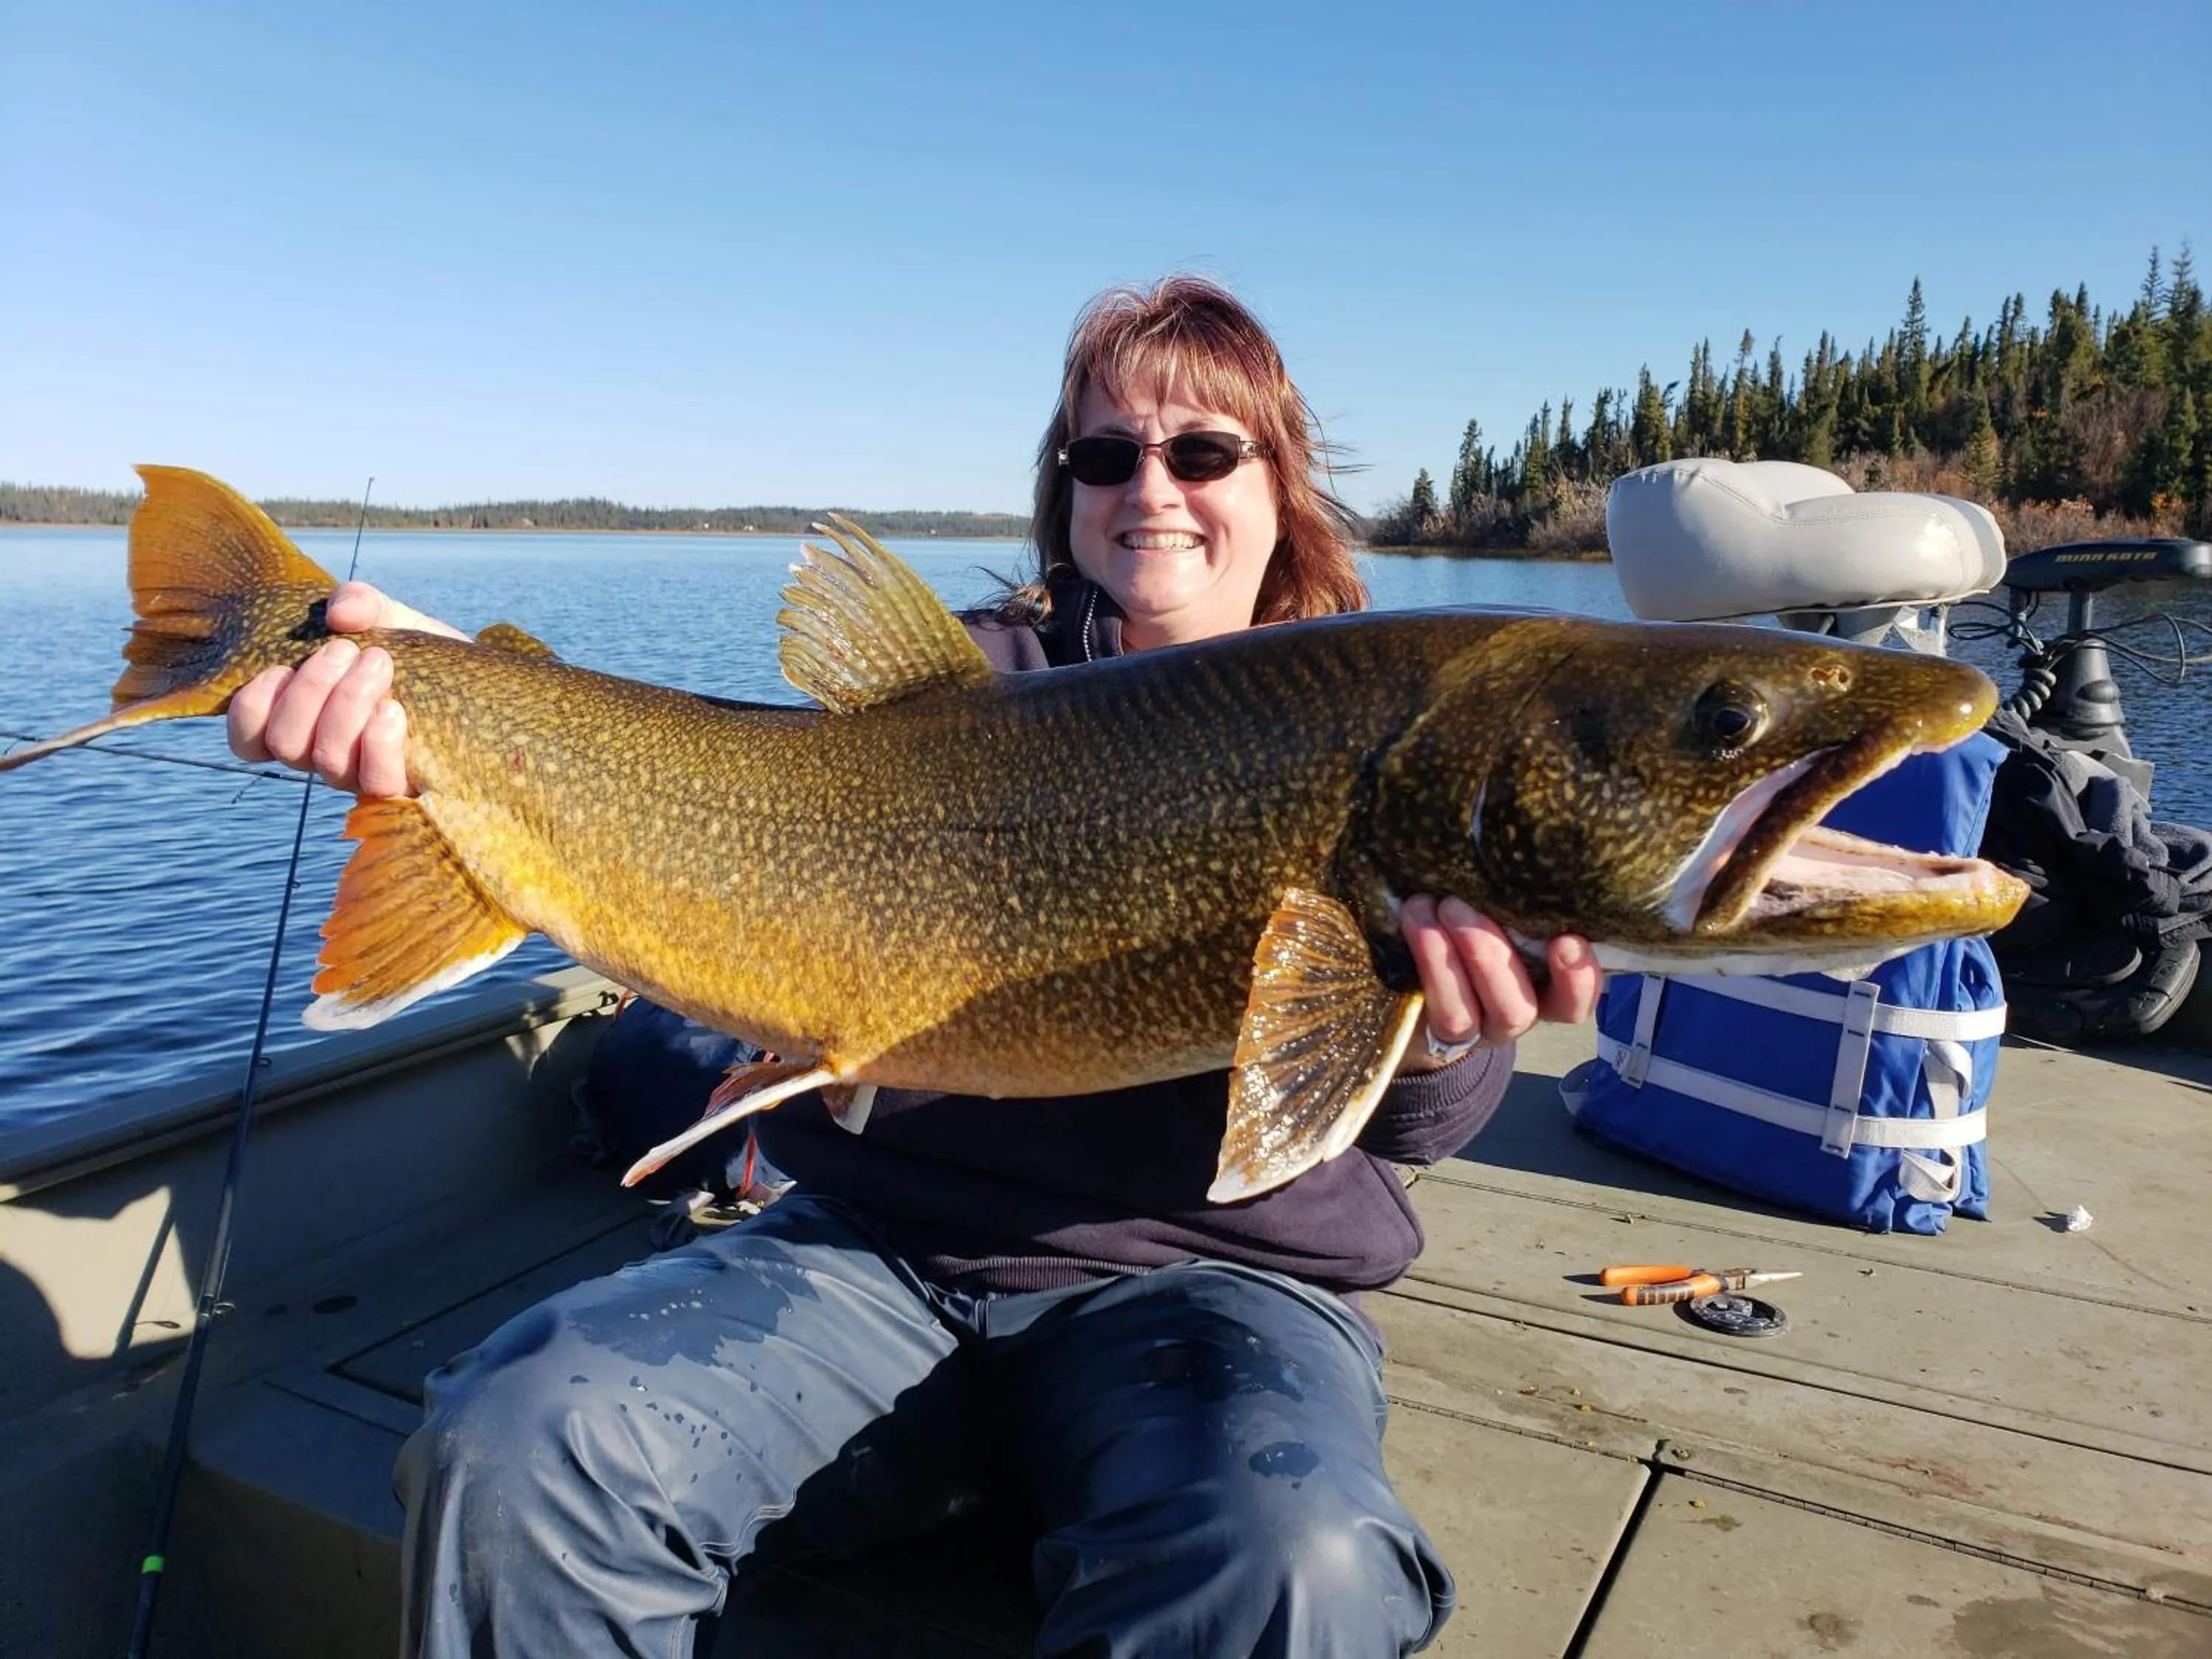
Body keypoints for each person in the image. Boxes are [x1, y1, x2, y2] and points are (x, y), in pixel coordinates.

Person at [229, 276, 1601, 1658]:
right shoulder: (961, 688)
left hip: (1219, 1293)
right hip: (874, 1253)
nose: (1153, 489)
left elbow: (1417, 1125)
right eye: (1108, 454)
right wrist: (442, 687)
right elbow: (722, 780)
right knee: (522, 1439)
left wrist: (1435, 1025)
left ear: (1281, 484)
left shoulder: (1396, 713)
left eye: (1202, 452)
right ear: (1064, 489)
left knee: (1297, 1564)